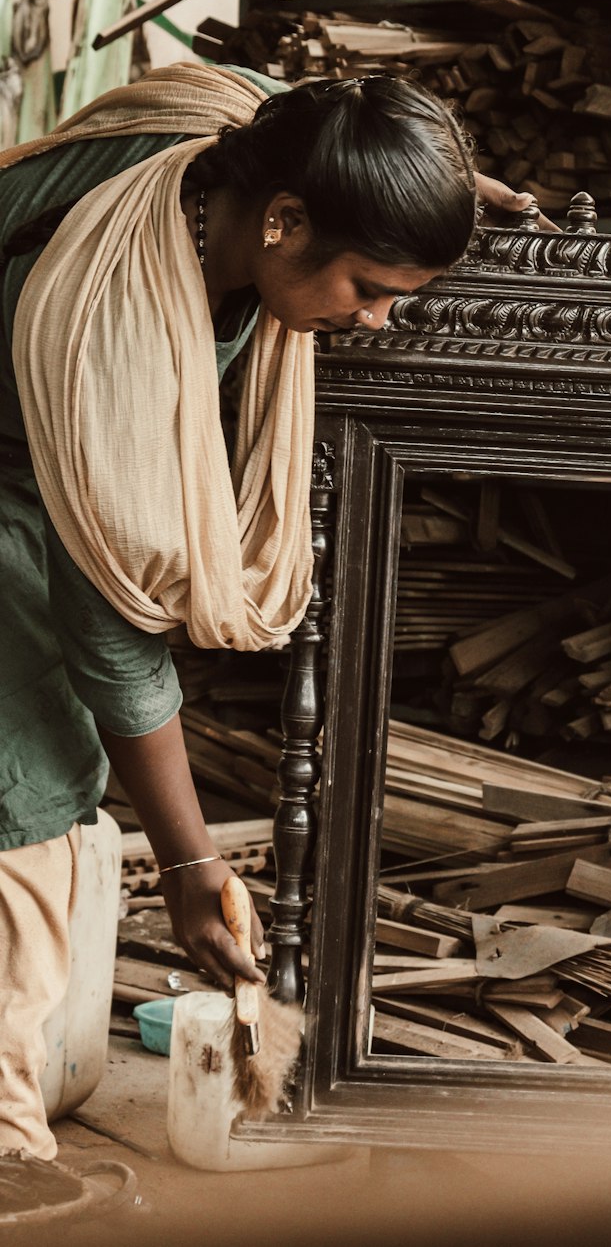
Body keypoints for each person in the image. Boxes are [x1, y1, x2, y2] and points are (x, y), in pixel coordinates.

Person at [0, 60, 537, 1160]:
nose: (379, 323)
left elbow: (314, 113)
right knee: (32, 787)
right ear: (284, 223)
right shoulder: (113, 323)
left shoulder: (239, 139)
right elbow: (110, 633)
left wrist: (429, 185)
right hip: (22, 478)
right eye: (371, 286)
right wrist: (194, 866)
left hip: (29, 469)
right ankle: (7, 1150)